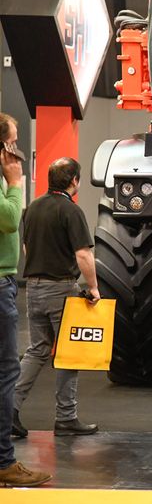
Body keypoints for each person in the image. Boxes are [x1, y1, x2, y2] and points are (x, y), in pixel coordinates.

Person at [13, 157, 99, 438]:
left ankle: (8, 408)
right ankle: (66, 417)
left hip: (33, 287)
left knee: (37, 350)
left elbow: (26, 247)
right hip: (60, 288)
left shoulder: (32, 208)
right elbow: (83, 254)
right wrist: (94, 288)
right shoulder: (71, 211)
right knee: (68, 353)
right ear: (74, 180)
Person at [0, 114, 50, 486]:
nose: (15, 149)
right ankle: (3, 461)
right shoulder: (7, 180)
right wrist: (16, 183)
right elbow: (8, 218)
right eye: (12, 141)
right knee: (6, 372)